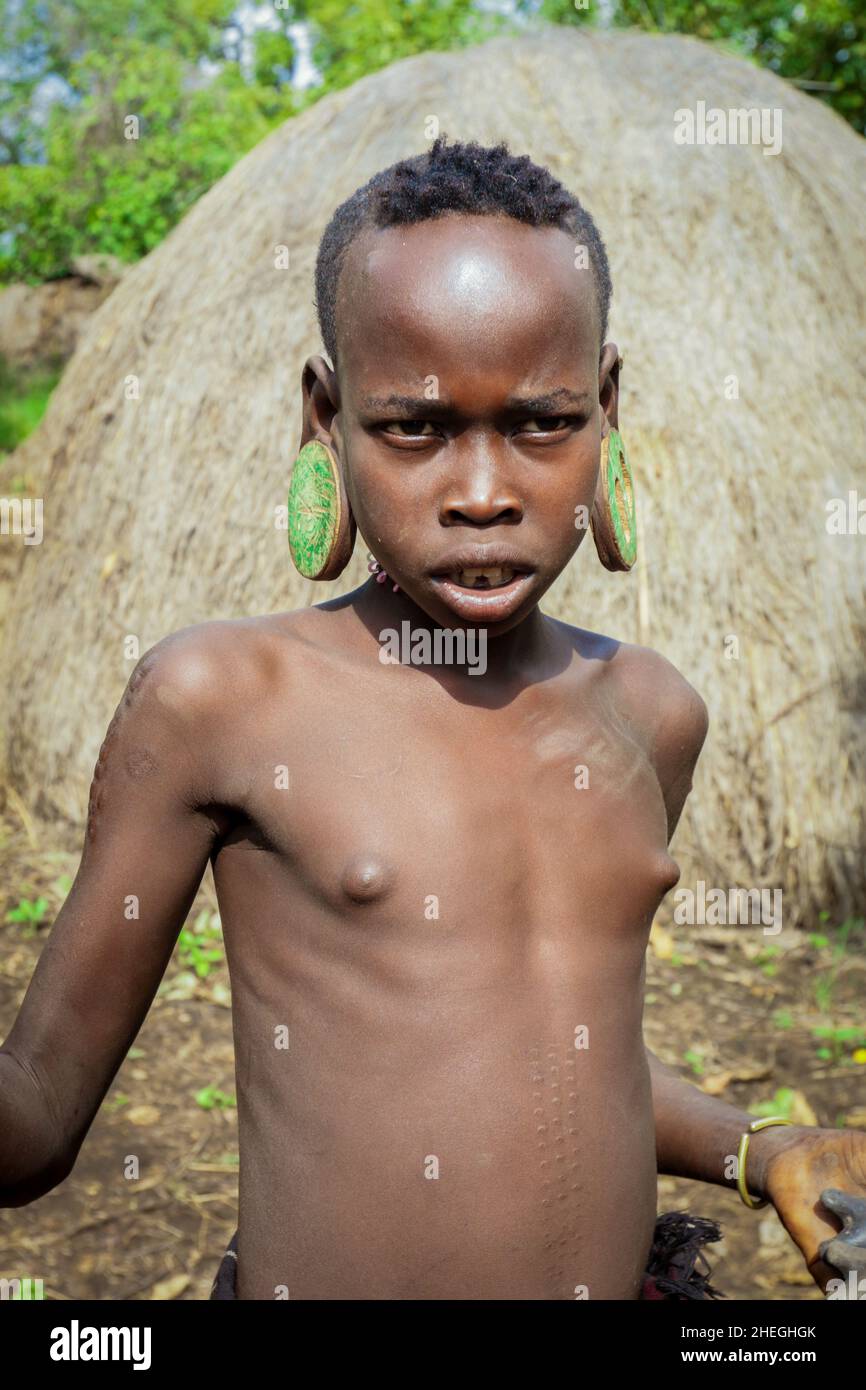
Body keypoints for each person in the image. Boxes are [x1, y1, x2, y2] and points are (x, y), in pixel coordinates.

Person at [2, 136, 864, 1301]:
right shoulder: (224, 698)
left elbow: (562, 1059)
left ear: (605, 408)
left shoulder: (649, 713)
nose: (480, 490)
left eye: (541, 421)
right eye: (413, 427)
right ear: (326, 414)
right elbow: (36, 1118)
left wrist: (758, 1146)